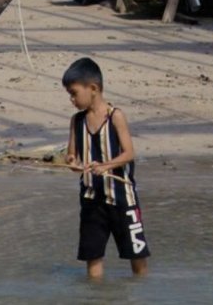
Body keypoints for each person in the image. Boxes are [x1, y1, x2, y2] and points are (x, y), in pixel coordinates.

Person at [63, 57, 150, 279]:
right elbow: (71, 156)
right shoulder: (76, 121)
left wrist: (105, 166)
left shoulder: (116, 117)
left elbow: (129, 153)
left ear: (93, 88)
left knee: (136, 255)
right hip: (91, 200)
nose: (72, 99)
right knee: (93, 257)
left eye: (74, 93)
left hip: (122, 198)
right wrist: (74, 163)